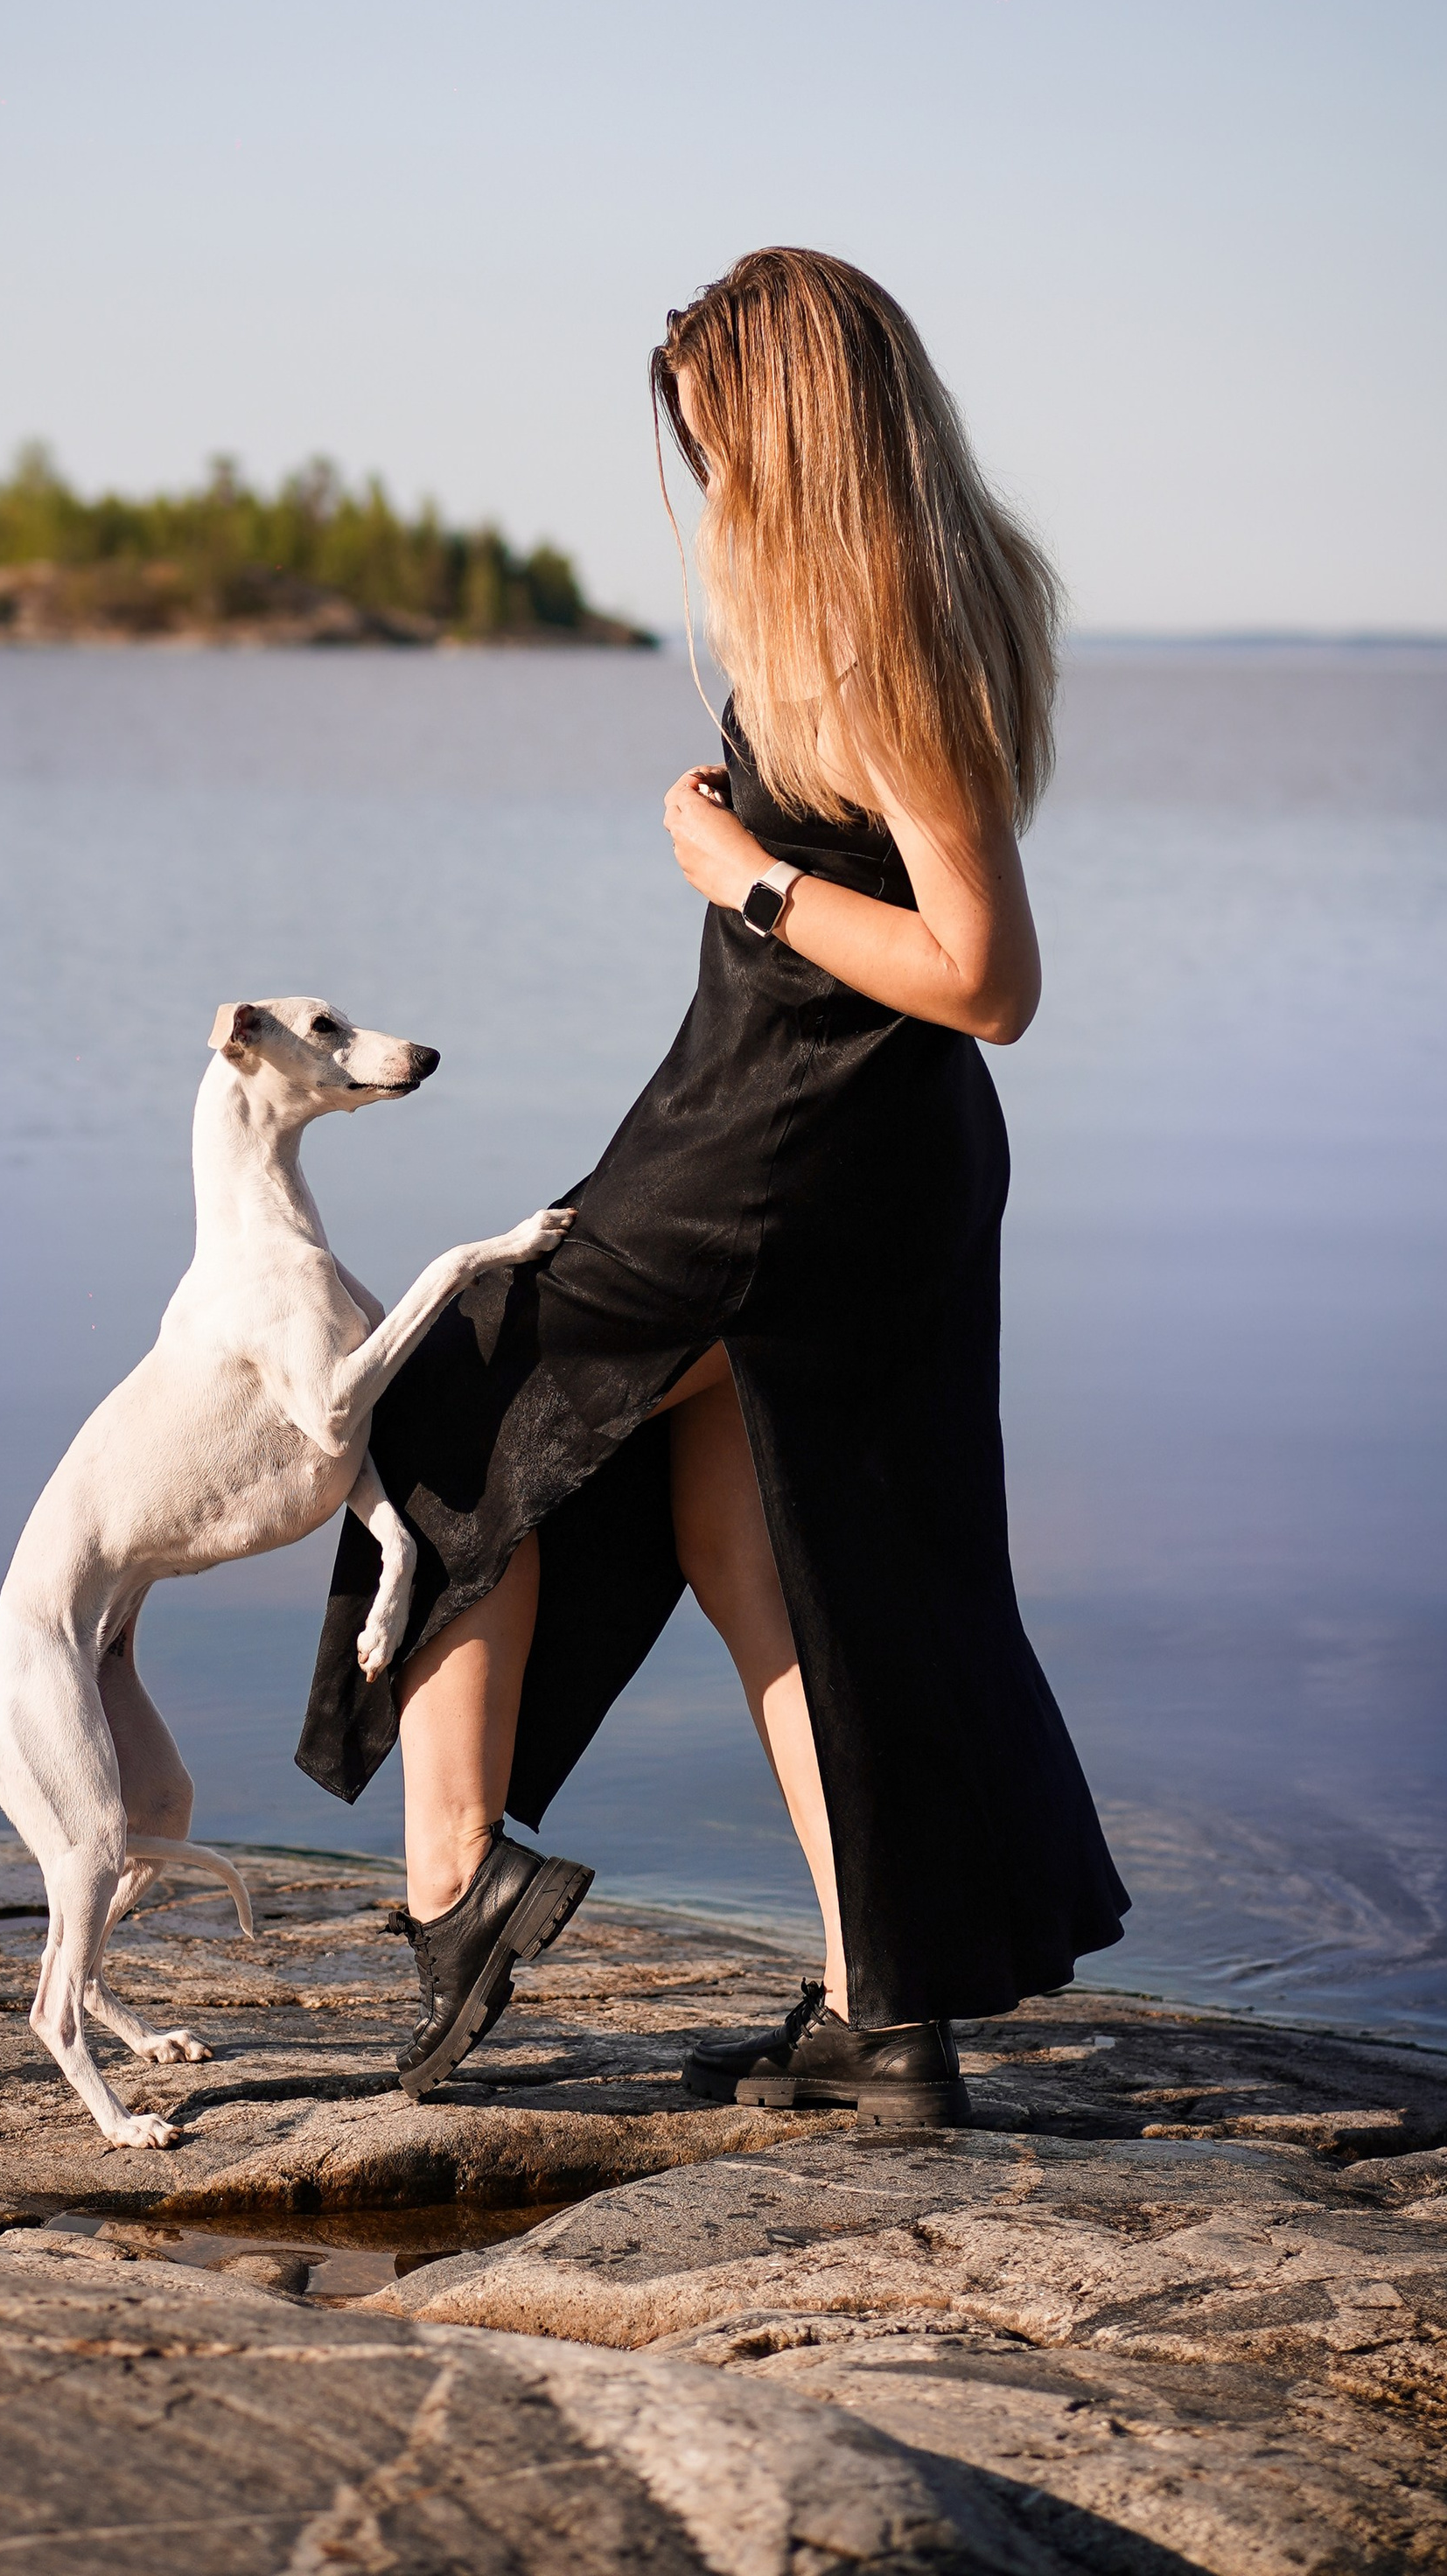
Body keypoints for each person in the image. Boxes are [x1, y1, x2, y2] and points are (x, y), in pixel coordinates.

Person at [296, 246, 1128, 2122]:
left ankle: (454, 1890)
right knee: (750, 1530)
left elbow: (987, 976)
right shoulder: (923, 596)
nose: (709, 488)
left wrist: (733, 867)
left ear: (791, 435)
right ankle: (875, 2012)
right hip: (831, 1144)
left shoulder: (866, 633)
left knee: (451, 1395)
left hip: (788, 1151)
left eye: (716, 445)